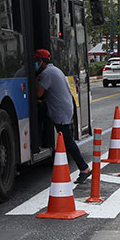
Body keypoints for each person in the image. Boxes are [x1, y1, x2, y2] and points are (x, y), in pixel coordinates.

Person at [35, 49, 91, 184]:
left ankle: (84, 168)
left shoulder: (47, 74)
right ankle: (40, 144)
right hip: (63, 109)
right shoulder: (55, 70)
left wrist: (36, 79)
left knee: (68, 141)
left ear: (41, 62)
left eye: (36, 61)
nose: (35, 64)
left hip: (60, 112)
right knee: (62, 136)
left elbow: (38, 93)